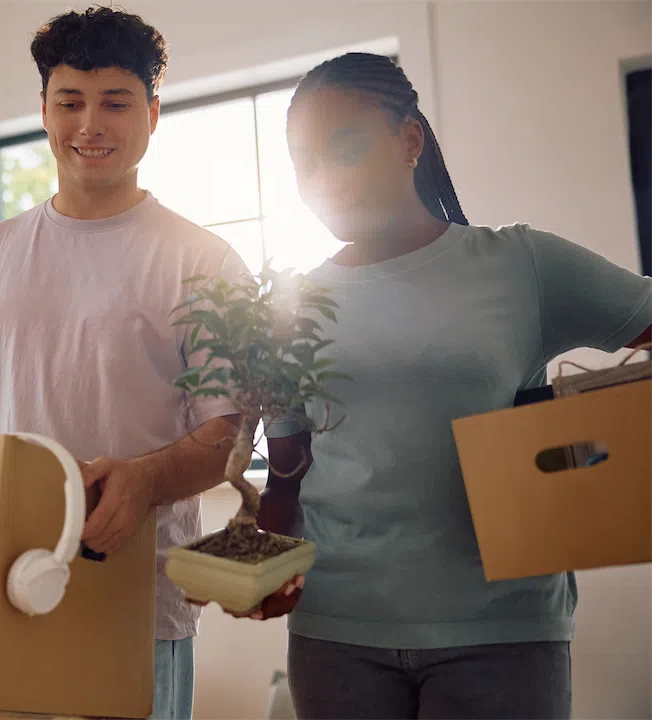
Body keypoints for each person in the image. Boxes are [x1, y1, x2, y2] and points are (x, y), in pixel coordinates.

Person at [250, 52, 652, 720]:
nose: (320, 178)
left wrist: (607, 434)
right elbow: (289, 473)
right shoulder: (291, 305)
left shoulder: (520, 265)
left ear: (410, 141)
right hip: (337, 631)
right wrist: (260, 565)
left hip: (503, 630)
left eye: (345, 147)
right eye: (302, 160)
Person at [0, 7, 251, 719]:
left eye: (116, 102)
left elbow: (232, 436)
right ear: (45, 110)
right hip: (2, 584)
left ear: (152, 113)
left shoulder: (203, 261)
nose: (91, 124)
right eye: (70, 102)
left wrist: (148, 478)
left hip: (135, 601)